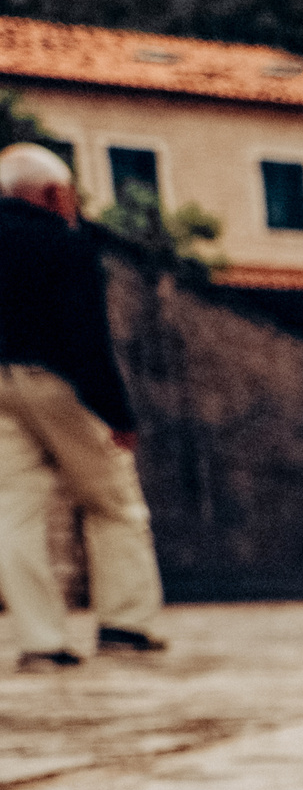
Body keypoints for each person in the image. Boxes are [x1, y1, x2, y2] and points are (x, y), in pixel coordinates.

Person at [0, 142, 166, 671]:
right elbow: (86, 335)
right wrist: (118, 416)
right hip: (57, 380)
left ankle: (41, 641)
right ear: (54, 194)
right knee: (112, 502)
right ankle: (124, 623)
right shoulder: (65, 243)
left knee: (15, 509)